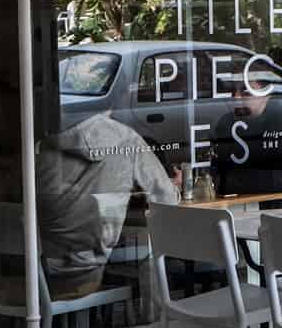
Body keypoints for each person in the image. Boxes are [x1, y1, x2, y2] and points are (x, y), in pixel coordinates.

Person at [35, 112, 180, 299]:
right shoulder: (127, 140)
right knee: (147, 253)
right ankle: (153, 320)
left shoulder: (39, 144)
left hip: (34, 277)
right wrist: (174, 186)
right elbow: (167, 202)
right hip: (86, 275)